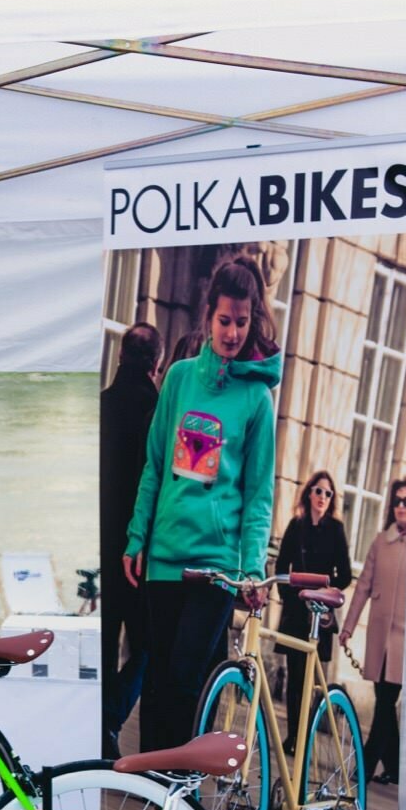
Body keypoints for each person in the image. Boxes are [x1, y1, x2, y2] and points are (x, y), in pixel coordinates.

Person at [123, 255, 281, 753]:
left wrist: (252, 567)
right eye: (224, 320)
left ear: (253, 319)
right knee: (156, 686)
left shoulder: (257, 401)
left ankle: (181, 800)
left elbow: (258, 496)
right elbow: (154, 464)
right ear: (208, 315)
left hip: (216, 567)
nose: (233, 333)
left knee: (187, 682)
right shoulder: (179, 379)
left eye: (242, 321)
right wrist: (137, 536)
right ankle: (156, 800)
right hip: (165, 556)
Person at [100, 322, 163, 757]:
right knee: (146, 648)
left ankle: (100, 726)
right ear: (157, 364)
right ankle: (110, 718)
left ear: (121, 356)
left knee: (103, 647)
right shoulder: (157, 414)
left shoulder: (100, 405)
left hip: (98, 548)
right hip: (138, 552)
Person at [274, 470, 352, 751]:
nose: (322, 497)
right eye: (318, 491)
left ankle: (304, 736)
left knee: (312, 677)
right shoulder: (297, 526)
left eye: (328, 493)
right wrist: (289, 596)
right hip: (297, 612)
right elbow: (282, 566)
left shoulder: (336, 530)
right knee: (294, 678)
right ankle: (293, 735)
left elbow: (344, 575)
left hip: (320, 612)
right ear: (309, 493)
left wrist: (325, 591)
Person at [340, 476, 406, 785]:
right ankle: (394, 767)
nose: (401, 507)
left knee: (385, 700)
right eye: (397, 501)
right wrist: (348, 627)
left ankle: (366, 766)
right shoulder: (381, 542)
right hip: (380, 636)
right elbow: (362, 588)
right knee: (384, 698)